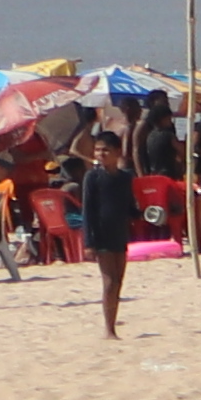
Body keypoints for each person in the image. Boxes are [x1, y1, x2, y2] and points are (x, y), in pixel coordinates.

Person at [68, 102, 144, 338]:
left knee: (119, 281)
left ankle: (113, 320)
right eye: (98, 150)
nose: (101, 154)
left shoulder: (124, 177)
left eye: (106, 151)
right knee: (109, 282)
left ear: (117, 153)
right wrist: (88, 242)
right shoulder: (92, 177)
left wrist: (145, 214)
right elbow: (88, 210)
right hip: (100, 235)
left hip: (119, 233)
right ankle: (108, 329)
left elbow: (129, 206)